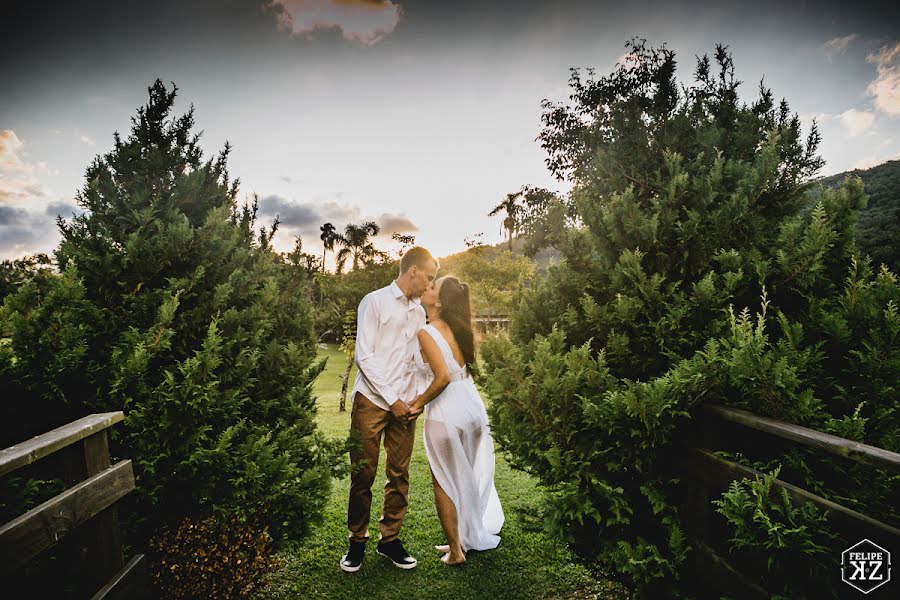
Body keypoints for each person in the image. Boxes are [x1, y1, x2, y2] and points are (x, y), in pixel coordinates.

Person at [340, 247, 439, 573]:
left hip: (405, 406)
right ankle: (357, 541)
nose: (429, 285)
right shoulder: (374, 301)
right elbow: (364, 357)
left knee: (399, 475)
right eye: (429, 277)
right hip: (372, 401)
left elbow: (415, 360)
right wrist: (392, 400)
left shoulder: (417, 312)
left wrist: (416, 400)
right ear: (413, 271)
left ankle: (390, 539)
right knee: (363, 474)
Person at [409, 276, 505, 566]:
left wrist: (416, 404)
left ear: (438, 301)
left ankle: (455, 551)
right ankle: (464, 536)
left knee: (443, 481)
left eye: (432, 286)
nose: (427, 287)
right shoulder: (460, 330)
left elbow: (442, 378)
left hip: (447, 412)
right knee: (463, 475)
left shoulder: (427, 332)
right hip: (473, 410)